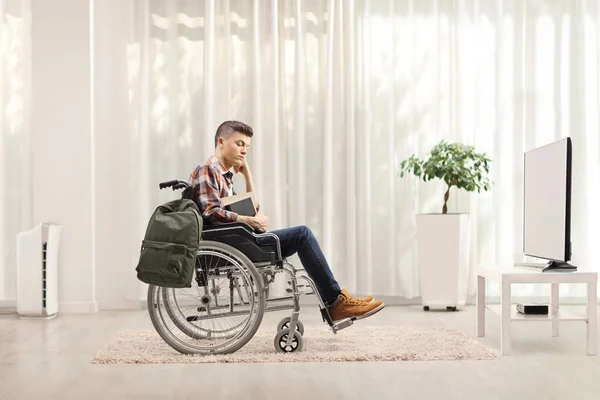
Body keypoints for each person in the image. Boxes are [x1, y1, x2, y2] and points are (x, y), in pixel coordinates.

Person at [188, 120, 385, 322]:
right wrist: (251, 221)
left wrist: (248, 176)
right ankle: (337, 303)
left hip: (240, 241)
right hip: (231, 246)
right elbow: (211, 212)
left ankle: (336, 302)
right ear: (221, 141)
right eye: (240, 144)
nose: (245, 151)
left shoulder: (224, 176)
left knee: (301, 236)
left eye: (247, 147)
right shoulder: (207, 170)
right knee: (302, 235)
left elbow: (252, 208)